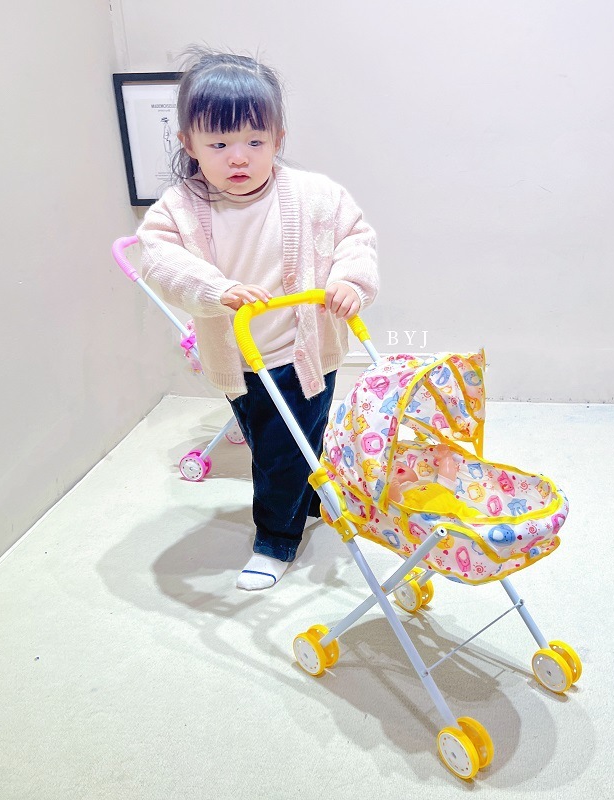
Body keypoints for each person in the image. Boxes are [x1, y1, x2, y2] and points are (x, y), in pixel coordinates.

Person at [137, 47, 379, 590]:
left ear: (278, 139)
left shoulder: (316, 195)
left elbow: (354, 237)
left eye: (255, 142)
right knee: (277, 440)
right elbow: (159, 260)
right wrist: (217, 289)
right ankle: (310, 498)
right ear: (189, 144)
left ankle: (275, 539)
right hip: (240, 361)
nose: (238, 158)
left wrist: (349, 280)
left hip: (305, 354)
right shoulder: (178, 208)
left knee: (280, 453)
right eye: (219, 144)